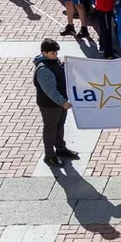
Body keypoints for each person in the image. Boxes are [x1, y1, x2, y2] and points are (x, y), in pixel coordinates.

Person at [33, 37, 79, 167]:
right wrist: (63, 102)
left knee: (60, 126)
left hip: (58, 103)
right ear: (44, 53)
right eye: (52, 53)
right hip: (50, 105)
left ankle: (61, 149)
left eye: (56, 53)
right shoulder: (43, 69)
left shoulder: (53, 61)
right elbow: (50, 91)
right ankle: (50, 155)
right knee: (50, 129)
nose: (55, 55)